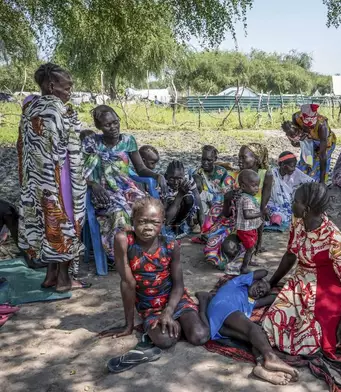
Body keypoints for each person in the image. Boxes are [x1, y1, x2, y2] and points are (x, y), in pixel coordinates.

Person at [262, 183, 341, 358]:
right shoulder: (298, 221)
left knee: (314, 341)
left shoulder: (333, 237)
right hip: (301, 278)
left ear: (306, 208)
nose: (292, 204)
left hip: (326, 286)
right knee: (273, 321)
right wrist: (271, 283)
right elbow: (290, 255)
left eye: (296, 201)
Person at [98, 197, 209, 348]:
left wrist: (169, 312)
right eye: (142, 221)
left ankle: (202, 303)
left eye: (155, 223)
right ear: (133, 220)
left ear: (162, 222)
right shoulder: (124, 241)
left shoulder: (171, 245)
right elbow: (128, 283)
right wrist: (128, 325)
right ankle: (177, 322)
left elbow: (178, 284)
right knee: (165, 341)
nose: (148, 227)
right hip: (149, 306)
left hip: (174, 300)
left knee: (200, 336)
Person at [17, 63, 88, 291]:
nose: (69, 92)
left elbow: (23, 145)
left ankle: (50, 275)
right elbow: (68, 148)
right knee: (66, 220)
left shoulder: (29, 106)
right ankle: (65, 280)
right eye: (67, 87)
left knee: (44, 222)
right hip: (60, 177)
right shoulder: (60, 109)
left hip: (35, 180)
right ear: (51, 85)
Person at [83, 105, 167, 263]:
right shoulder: (92, 143)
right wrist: (92, 184)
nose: (114, 127)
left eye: (116, 122)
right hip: (103, 193)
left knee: (148, 208)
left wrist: (157, 175)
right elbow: (78, 171)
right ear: (99, 126)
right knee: (119, 214)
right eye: (108, 125)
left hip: (127, 189)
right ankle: (122, 256)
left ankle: (147, 250)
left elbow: (141, 168)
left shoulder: (128, 140)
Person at [196, 270, 299, 385]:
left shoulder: (252, 302)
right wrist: (267, 282)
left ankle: (261, 365)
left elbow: (274, 298)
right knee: (253, 328)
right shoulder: (238, 283)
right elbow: (263, 272)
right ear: (253, 281)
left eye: (262, 293)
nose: (259, 291)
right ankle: (271, 357)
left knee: (256, 337)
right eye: (259, 286)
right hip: (221, 307)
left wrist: (287, 291)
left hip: (220, 328)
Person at [203, 144, 273, 271]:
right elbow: (226, 213)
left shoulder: (265, 175)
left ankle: (248, 250)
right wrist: (228, 198)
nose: (239, 160)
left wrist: (259, 243)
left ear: (256, 159)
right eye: (238, 157)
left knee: (234, 248)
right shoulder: (233, 177)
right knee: (228, 249)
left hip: (251, 226)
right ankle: (244, 251)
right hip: (234, 224)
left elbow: (262, 210)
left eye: (243, 157)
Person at [284, 104, 336, 183]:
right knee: (305, 163)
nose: (310, 122)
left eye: (312, 120)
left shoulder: (322, 125)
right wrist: (293, 137)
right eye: (307, 120)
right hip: (309, 141)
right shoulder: (296, 117)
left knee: (316, 170)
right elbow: (296, 141)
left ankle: (320, 181)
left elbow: (322, 156)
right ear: (302, 116)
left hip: (326, 143)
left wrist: (322, 182)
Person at [265, 151, 314, 230]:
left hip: (289, 203)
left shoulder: (295, 172)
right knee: (275, 214)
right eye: (291, 166)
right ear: (282, 165)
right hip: (272, 203)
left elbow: (311, 182)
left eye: (295, 166)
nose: (294, 169)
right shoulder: (272, 174)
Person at [191, 145, 234, 233]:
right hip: (204, 206)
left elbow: (227, 190)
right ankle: (200, 223)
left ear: (215, 159)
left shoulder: (222, 172)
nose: (205, 163)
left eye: (209, 160)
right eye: (203, 159)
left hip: (219, 204)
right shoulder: (197, 173)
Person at [163, 160, 203, 238]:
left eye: (179, 178)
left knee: (189, 198)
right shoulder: (162, 184)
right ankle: (169, 229)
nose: (175, 182)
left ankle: (178, 227)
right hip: (166, 215)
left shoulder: (188, 181)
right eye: (172, 178)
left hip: (179, 213)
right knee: (171, 200)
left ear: (184, 176)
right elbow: (166, 219)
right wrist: (180, 194)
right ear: (166, 176)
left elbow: (199, 207)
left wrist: (204, 230)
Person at [235, 169, 264, 274]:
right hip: (245, 229)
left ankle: (249, 261)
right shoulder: (246, 199)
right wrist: (261, 213)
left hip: (250, 228)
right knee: (250, 248)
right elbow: (247, 215)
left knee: (252, 246)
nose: (257, 188)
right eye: (254, 185)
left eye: (257, 185)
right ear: (243, 187)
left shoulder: (249, 197)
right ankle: (244, 267)